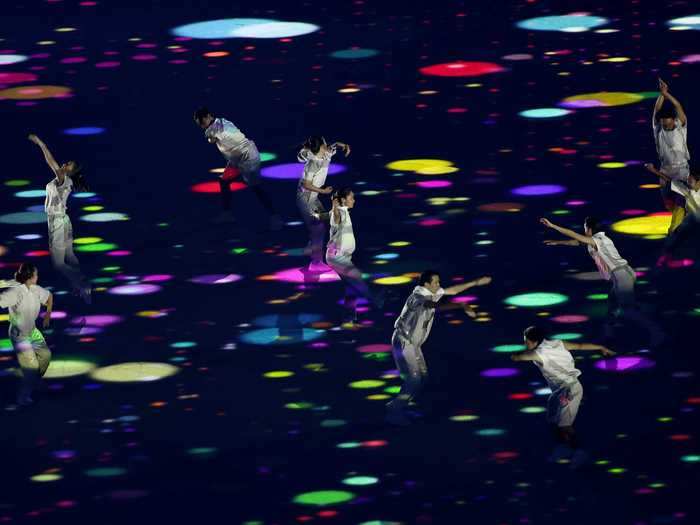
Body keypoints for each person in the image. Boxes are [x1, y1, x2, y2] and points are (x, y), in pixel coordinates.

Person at [386, 271, 492, 425]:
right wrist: (460, 305)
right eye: (435, 282)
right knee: (414, 379)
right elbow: (432, 305)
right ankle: (394, 412)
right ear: (426, 284)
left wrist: (476, 282)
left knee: (422, 377)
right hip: (403, 341)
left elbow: (453, 290)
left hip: (413, 344)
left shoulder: (431, 292)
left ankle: (397, 406)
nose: (439, 285)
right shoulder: (418, 297)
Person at [541, 216, 663, 346]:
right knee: (612, 307)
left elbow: (575, 236)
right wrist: (558, 242)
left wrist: (553, 226)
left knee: (628, 310)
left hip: (621, 274)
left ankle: (658, 333)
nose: (584, 230)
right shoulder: (597, 239)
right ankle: (608, 336)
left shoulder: (599, 240)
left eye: (585, 227)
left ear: (589, 228)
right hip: (621, 274)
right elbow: (576, 241)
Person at [511, 326, 615, 466]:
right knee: (552, 420)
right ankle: (563, 447)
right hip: (560, 391)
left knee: (564, 425)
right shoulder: (559, 343)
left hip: (570, 389)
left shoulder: (537, 353)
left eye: (526, 341)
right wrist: (600, 347)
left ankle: (580, 451)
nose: (525, 344)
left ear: (534, 341)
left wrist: (514, 355)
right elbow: (580, 345)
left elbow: (518, 357)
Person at [193, 107, 282, 229]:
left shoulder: (221, 126)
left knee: (256, 188)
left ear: (208, 116)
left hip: (248, 157)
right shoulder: (216, 125)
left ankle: (275, 217)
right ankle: (227, 214)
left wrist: (210, 135)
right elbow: (212, 138)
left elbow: (214, 137)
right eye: (200, 125)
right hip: (235, 160)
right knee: (224, 181)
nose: (202, 127)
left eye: (202, 123)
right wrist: (210, 135)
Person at [28, 134, 91, 303]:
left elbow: (51, 161)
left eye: (68, 164)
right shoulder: (64, 180)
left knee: (58, 264)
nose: (64, 164)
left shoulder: (64, 180)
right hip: (63, 220)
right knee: (69, 255)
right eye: (66, 162)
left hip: (57, 222)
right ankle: (80, 285)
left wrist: (40, 142)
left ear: (71, 171)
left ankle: (81, 285)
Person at [325, 188, 384, 323]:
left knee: (350, 286)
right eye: (351, 198)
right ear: (343, 200)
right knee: (357, 277)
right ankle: (375, 299)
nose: (354, 200)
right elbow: (336, 217)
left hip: (342, 257)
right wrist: (335, 206)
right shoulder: (338, 212)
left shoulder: (345, 211)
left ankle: (349, 316)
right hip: (337, 258)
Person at [0, 263, 54, 406]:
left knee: (45, 355)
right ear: (30, 277)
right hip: (19, 336)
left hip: (33, 331)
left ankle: (35, 380)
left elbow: (49, 297)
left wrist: (48, 314)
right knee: (30, 369)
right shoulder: (15, 293)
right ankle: (23, 398)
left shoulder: (37, 290)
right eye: (36, 275)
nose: (38, 277)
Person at [296, 136, 350, 271]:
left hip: (313, 198)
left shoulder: (326, 153)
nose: (327, 145)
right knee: (318, 228)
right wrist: (323, 191)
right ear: (320, 147)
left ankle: (311, 245)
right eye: (325, 143)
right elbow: (306, 184)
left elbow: (335, 145)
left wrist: (342, 145)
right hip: (305, 200)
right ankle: (315, 263)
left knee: (322, 225)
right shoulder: (312, 164)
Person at [651, 78, 689, 233]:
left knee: (682, 203)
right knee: (670, 206)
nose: (665, 124)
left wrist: (667, 94)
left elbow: (678, 106)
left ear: (673, 120)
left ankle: (676, 230)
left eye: (667, 122)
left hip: (681, 171)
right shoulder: (658, 129)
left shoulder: (681, 126)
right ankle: (680, 225)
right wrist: (661, 95)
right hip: (665, 171)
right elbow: (655, 112)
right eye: (663, 122)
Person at [646, 166, 700, 267]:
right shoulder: (686, 190)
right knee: (677, 234)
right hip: (691, 219)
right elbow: (670, 181)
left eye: (690, 180)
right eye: (688, 179)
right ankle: (666, 256)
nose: (688, 182)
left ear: (698, 181)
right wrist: (654, 170)